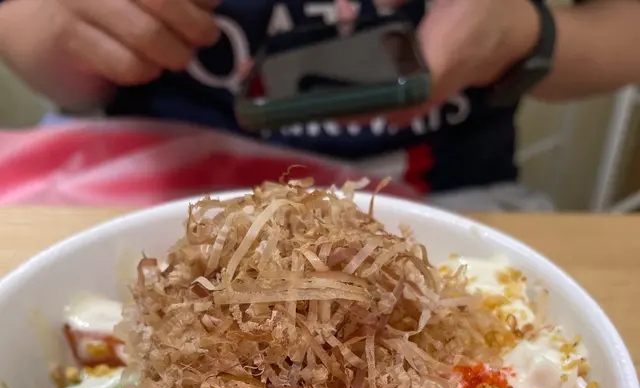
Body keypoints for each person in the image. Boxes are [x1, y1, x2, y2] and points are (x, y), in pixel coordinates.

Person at [0, 0, 639, 209]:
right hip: (143, 180)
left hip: (447, 194)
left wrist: (529, 35)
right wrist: (40, 24)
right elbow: (50, 57)